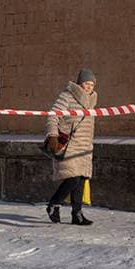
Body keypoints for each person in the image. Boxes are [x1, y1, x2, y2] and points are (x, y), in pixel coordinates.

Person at [45, 69, 97, 225]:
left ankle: (77, 214)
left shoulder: (93, 100)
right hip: (69, 144)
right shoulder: (67, 96)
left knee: (81, 180)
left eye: (91, 84)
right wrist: (52, 135)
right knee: (73, 178)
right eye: (86, 83)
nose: (88, 87)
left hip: (85, 146)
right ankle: (54, 203)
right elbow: (53, 115)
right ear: (80, 83)